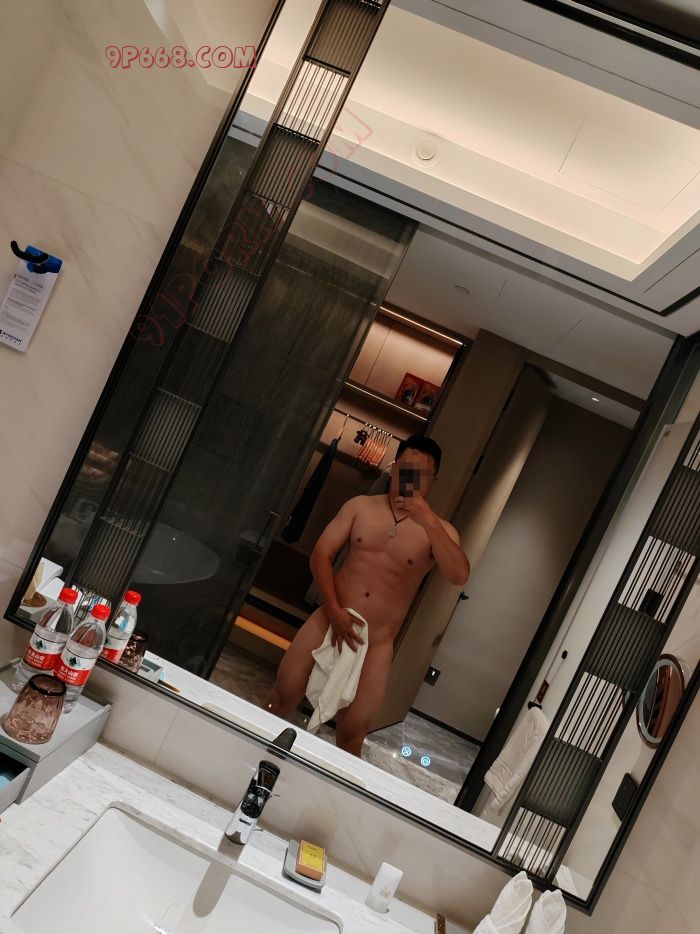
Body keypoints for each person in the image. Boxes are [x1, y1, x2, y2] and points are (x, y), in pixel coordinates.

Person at [265, 435, 470, 756]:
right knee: (281, 698)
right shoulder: (360, 506)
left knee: (352, 734)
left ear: (433, 480)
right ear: (395, 468)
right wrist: (333, 609)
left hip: (376, 643)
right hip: (329, 617)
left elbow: (459, 575)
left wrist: (428, 519)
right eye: (406, 469)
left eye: (422, 474)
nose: (411, 479)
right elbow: (321, 555)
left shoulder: (440, 531)